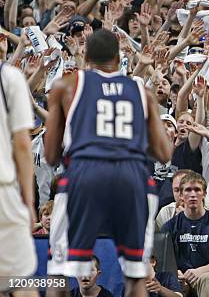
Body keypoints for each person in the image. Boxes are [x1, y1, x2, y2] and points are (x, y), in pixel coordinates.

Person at [45, 30, 173, 297]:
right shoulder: (141, 90)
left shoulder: (67, 85)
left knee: (58, 271)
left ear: (87, 57)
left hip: (85, 173)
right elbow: (164, 153)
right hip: (134, 176)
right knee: (135, 276)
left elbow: (51, 156)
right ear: (118, 58)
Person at [161, 172, 209, 297]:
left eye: (197, 190)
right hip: (180, 279)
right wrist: (175, 273)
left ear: (204, 194)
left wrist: (199, 272)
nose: (192, 195)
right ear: (181, 195)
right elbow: (164, 261)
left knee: (207, 279)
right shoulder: (169, 226)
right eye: (188, 190)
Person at [0, 60, 38, 297]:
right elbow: (23, 145)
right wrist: (28, 200)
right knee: (20, 283)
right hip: (3, 194)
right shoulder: (9, 77)